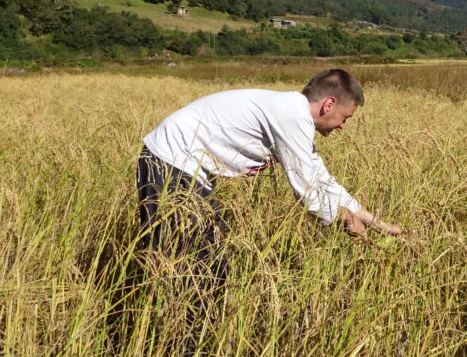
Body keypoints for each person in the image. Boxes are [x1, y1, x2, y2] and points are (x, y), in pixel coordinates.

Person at [136, 69, 402, 276]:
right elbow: (308, 191)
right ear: (329, 104)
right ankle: (173, 335)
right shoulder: (292, 116)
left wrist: (377, 223)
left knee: (207, 264)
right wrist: (347, 220)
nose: (343, 127)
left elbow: (320, 177)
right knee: (191, 266)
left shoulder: (291, 113)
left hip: (184, 168)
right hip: (170, 164)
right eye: (346, 118)